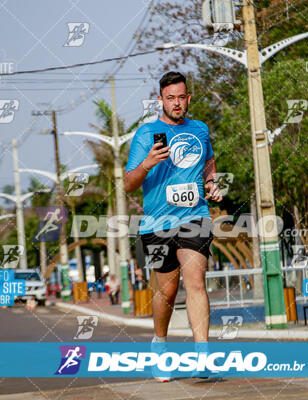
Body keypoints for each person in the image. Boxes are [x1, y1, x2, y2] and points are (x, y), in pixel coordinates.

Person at [124, 71, 223, 382]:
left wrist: (211, 183)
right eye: (171, 98)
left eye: (181, 97)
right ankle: (160, 346)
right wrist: (147, 164)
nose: (177, 103)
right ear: (160, 100)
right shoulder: (146, 134)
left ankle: (203, 355)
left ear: (188, 98)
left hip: (195, 216)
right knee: (166, 291)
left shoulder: (200, 129)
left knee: (195, 280)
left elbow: (209, 161)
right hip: (156, 222)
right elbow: (128, 184)